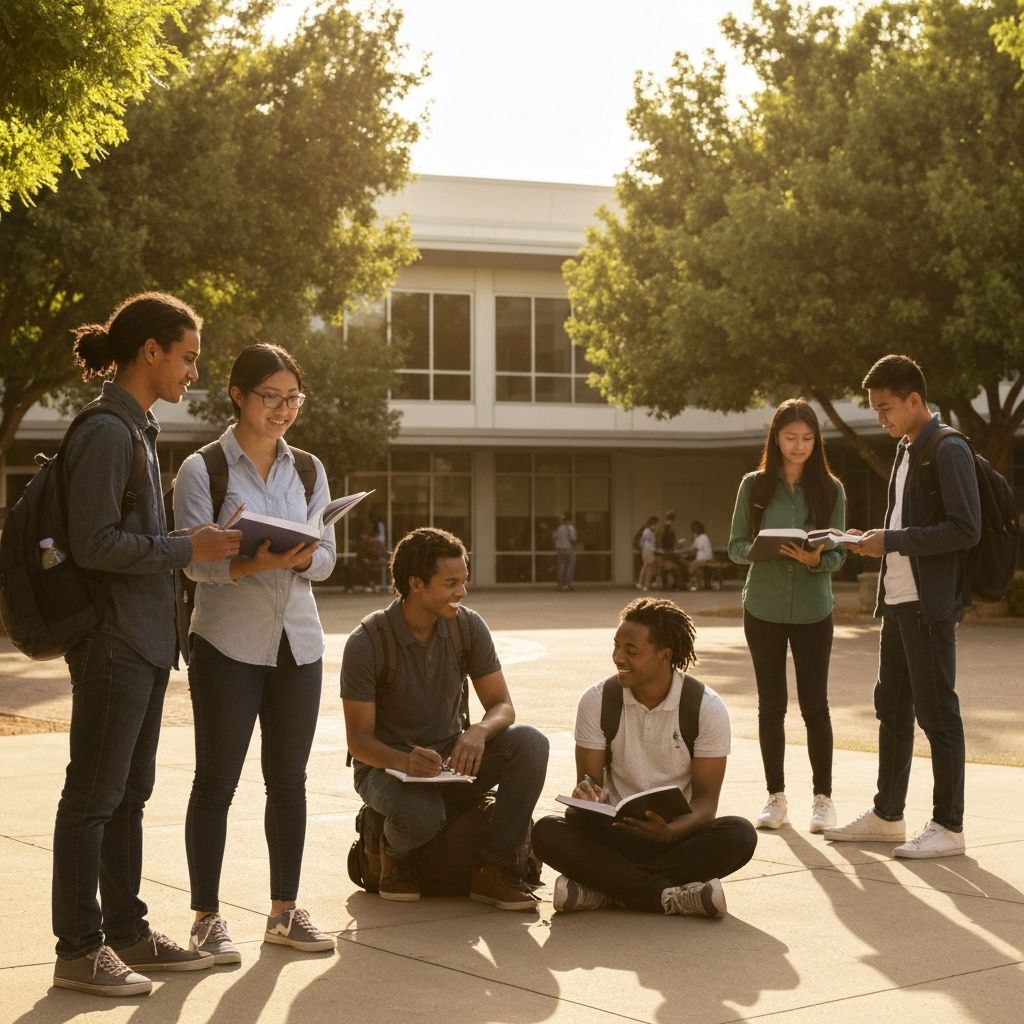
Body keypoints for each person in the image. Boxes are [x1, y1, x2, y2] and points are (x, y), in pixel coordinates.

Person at [52, 293, 243, 997]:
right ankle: (78, 947)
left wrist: (191, 549)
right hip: (111, 642)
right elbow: (93, 543)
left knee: (129, 794)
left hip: (144, 641)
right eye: (187, 356)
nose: (192, 370)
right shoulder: (107, 430)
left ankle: (127, 932)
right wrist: (184, 545)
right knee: (93, 797)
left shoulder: (140, 429)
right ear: (151, 352)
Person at [173, 343, 338, 961]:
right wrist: (248, 563)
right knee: (215, 783)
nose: (284, 409)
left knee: (288, 783)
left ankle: (284, 912)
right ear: (239, 396)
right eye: (272, 396)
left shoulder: (310, 471)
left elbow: (325, 558)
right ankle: (206, 917)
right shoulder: (204, 470)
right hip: (228, 644)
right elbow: (191, 561)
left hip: (299, 641)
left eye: (293, 398)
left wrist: (303, 556)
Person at [341, 527, 549, 909]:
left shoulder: (467, 625)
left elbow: (502, 705)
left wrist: (477, 732)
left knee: (531, 743)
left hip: (452, 759)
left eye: (464, 581)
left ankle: (494, 870)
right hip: (386, 768)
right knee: (421, 815)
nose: (462, 593)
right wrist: (405, 762)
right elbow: (359, 742)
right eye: (451, 583)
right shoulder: (367, 641)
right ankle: (390, 850)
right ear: (416, 584)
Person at [825, 355, 981, 858]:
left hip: (926, 604)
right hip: (896, 600)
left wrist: (889, 540)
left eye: (886, 407)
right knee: (891, 710)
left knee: (939, 715)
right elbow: (906, 522)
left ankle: (948, 827)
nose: (881, 418)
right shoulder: (906, 449)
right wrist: (868, 539)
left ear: (915, 400)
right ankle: (888, 815)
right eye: (875, 409)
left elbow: (965, 529)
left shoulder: (947, 448)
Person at [531, 597, 757, 917]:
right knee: (547, 830)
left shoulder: (705, 706)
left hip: (676, 837)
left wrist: (673, 832)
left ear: (665, 656)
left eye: (631, 651)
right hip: (614, 833)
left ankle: (604, 890)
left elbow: (706, 804)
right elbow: (589, 782)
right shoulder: (597, 700)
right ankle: (667, 895)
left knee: (740, 834)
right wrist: (588, 791)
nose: (618, 657)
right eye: (616, 646)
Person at [728, 399, 847, 835]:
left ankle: (823, 799)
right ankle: (775, 797)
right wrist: (760, 549)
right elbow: (735, 546)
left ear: (817, 442)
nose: (799, 447)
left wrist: (817, 559)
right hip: (764, 605)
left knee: (816, 706)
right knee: (771, 705)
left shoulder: (831, 489)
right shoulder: (753, 486)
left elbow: (839, 553)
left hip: (815, 608)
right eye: (791, 438)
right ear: (775, 438)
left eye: (808, 439)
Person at [685, 520, 715, 591]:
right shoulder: (700, 537)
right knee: (691, 565)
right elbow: (693, 547)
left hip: (704, 559)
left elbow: (693, 549)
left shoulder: (702, 537)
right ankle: (697, 584)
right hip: (702, 558)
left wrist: (680, 551)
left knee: (689, 565)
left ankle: (693, 584)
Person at [656, 510, 682, 590]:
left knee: (677, 566)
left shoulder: (665, 528)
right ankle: (677, 585)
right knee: (676, 567)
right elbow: (662, 541)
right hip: (664, 555)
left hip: (667, 553)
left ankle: (671, 585)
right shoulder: (664, 529)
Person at [553, 511, 578, 591]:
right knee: (570, 567)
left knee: (561, 566)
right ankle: (567, 584)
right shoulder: (570, 527)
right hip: (568, 549)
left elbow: (554, 537)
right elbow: (573, 538)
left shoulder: (559, 528)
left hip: (559, 549)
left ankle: (560, 585)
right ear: (569, 519)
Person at [636, 515, 659, 591]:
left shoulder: (649, 532)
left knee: (649, 567)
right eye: (655, 524)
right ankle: (640, 582)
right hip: (648, 550)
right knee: (647, 565)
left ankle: (646, 584)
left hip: (648, 550)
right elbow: (645, 542)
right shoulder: (647, 531)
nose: (656, 526)